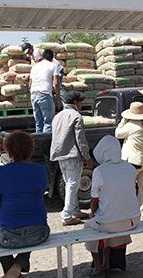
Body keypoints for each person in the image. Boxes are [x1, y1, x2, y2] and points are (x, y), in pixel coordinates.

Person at [0, 130, 50, 278]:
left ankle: (13, 269)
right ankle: (19, 265)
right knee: (29, 236)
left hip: (9, 234)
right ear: (31, 149)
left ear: (8, 150)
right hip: (39, 232)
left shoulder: (1, 172)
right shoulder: (40, 171)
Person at [84, 136, 140, 276]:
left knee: (91, 226)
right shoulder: (130, 168)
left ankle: (98, 266)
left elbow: (94, 200)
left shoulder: (100, 171)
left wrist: (92, 213)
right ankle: (107, 262)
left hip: (110, 223)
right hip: (133, 220)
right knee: (109, 220)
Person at [50, 90, 93, 226]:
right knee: (73, 184)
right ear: (75, 103)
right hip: (72, 154)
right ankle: (67, 215)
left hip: (60, 154)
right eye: (81, 102)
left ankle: (75, 210)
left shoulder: (58, 116)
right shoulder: (76, 116)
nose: (81, 105)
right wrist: (87, 157)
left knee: (69, 182)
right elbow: (81, 140)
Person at [29, 49, 63, 133]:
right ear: (52, 58)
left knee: (38, 122)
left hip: (33, 95)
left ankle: (38, 143)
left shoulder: (35, 66)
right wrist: (58, 99)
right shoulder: (53, 65)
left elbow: (30, 84)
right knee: (48, 122)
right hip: (44, 94)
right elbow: (56, 83)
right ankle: (46, 144)